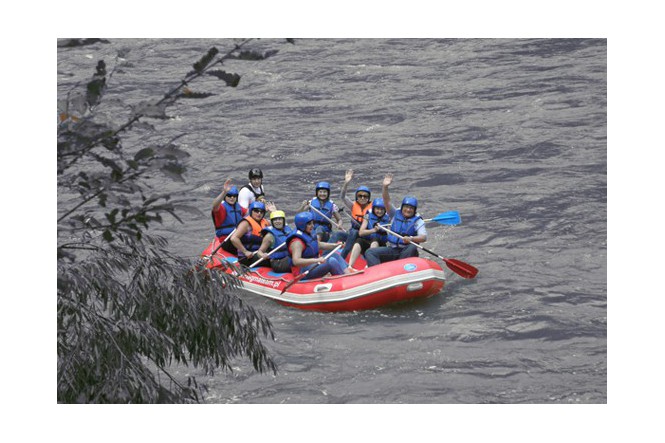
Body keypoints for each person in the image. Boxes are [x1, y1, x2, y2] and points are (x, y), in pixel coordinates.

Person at [364, 174, 427, 267]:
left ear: (414, 210)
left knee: (412, 246)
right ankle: (377, 272)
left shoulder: (418, 221)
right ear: (402, 207)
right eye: (406, 207)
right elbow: (386, 201)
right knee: (370, 252)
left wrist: (411, 239)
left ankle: (402, 266)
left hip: (407, 251)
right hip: (393, 250)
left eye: (411, 208)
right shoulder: (394, 213)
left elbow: (423, 237)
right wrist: (385, 187)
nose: (408, 210)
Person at [287, 212, 354, 280]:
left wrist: (335, 245)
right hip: (303, 271)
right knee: (331, 261)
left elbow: (318, 245)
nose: (312, 226)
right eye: (309, 224)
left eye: (312, 223)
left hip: (313, 264)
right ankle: (344, 279)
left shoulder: (308, 233)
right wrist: (317, 260)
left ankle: (348, 273)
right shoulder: (297, 242)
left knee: (335, 255)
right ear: (302, 225)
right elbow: (296, 261)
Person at [329, 169, 373, 260]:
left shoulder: (373, 208)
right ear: (357, 197)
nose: (362, 198)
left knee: (353, 232)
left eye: (365, 196)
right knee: (338, 234)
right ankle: (325, 254)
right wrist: (346, 183)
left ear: (368, 198)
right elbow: (342, 197)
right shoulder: (353, 205)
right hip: (353, 233)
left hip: (365, 235)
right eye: (360, 196)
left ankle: (341, 258)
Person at [347, 197, 391, 269]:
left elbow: (390, 235)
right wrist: (374, 230)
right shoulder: (367, 216)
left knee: (375, 240)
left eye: (382, 209)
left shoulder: (388, 219)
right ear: (374, 209)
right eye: (377, 209)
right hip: (368, 242)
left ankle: (369, 264)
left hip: (380, 245)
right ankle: (350, 266)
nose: (379, 211)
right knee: (359, 241)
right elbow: (361, 232)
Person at [211, 179, 247, 255]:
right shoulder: (222, 208)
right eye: (229, 195)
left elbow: (250, 213)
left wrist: (263, 209)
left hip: (238, 237)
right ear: (225, 196)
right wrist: (224, 192)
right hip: (227, 240)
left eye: (234, 196)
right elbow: (214, 206)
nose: (232, 198)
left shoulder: (238, 207)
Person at [229, 201, 271, 267]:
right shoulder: (245, 223)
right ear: (251, 211)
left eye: (261, 212)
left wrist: (274, 211)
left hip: (260, 253)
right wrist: (245, 252)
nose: (259, 213)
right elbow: (233, 238)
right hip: (248, 257)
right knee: (271, 260)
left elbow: (280, 225)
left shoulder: (266, 222)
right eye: (256, 211)